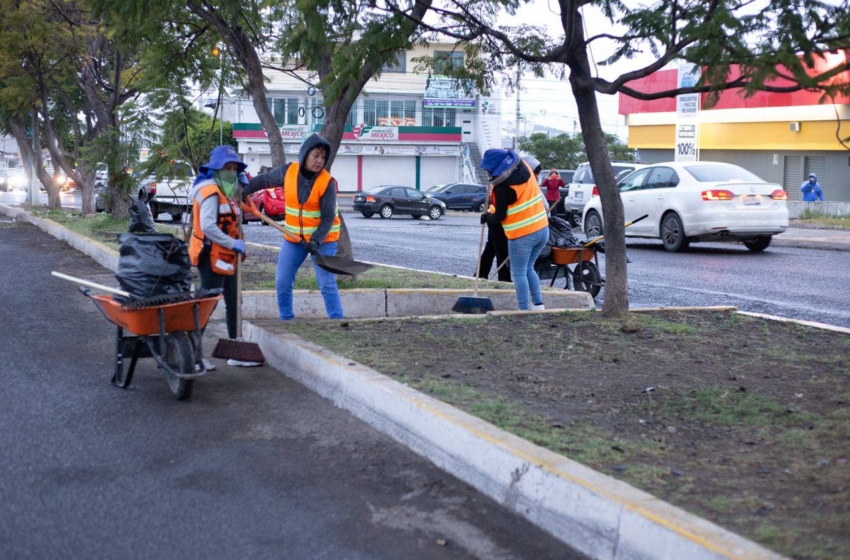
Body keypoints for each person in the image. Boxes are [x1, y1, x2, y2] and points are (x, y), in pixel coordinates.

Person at [244, 134, 343, 321]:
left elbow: (329, 216)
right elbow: (264, 180)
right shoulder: (289, 171)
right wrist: (244, 190)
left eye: (323, 157)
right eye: (316, 155)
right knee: (282, 281)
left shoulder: (326, 182)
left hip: (323, 240)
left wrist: (316, 240)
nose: (319, 161)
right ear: (305, 154)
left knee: (326, 283)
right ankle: (287, 320)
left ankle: (337, 321)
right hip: (293, 239)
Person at [188, 145, 255, 369]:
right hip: (211, 257)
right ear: (215, 169)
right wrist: (232, 243)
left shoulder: (228, 191)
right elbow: (207, 226)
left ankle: (235, 349)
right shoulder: (209, 191)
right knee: (206, 305)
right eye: (227, 167)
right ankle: (192, 355)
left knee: (234, 302)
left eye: (235, 167)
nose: (232, 171)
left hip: (229, 256)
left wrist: (239, 243)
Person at [478, 149, 550, 311]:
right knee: (529, 268)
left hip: (522, 234)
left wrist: (488, 217)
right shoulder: (525, 168)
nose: (487, 172)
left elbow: (499, 216)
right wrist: (490, 212)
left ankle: (523, 309)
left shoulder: (502, 187)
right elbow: (513, 204)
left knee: (518, 273)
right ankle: (538, 305)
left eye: (488, 169)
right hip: (542, 229)